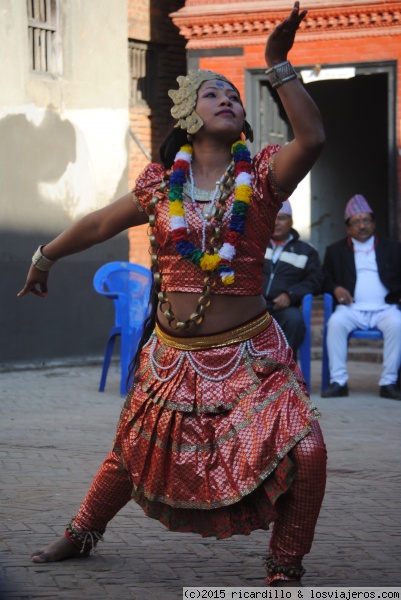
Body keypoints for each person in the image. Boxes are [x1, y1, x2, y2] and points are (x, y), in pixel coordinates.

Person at [18, 3, 327, 587]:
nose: (229, 99)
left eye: (235, 96)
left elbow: (312, 137)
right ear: (188, 113)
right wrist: (44, 256)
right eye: (215, 93)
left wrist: (278, 65)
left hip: (250, 356)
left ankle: (285, 566)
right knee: (130, 450)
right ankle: (81, 532)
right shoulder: (161, 188)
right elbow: (96, 224)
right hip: (170, 355)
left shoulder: (261, 177)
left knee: (307, 453)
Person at [321, 194, 401, 400]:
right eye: (356, 222)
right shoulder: (335, 251)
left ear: (373, 224)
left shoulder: (392, 248)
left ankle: (389, 382)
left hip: (385, 308)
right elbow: (323, 279)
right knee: (335, 323)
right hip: (351, 309)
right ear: (348, 227)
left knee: (398, 324)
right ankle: (338, 382)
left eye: (366, 220)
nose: (362, 226)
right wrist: (336, 289)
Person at [262, 199, 323, 359]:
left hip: (283, 308)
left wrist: (290, 294)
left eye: (281, 218)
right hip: (254, 305)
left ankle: (285, 369)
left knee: (295, 320)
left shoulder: (306, 251)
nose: (276, 222)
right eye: (273, 217)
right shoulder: (257, 244)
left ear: (291, 221)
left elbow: (315, 282)